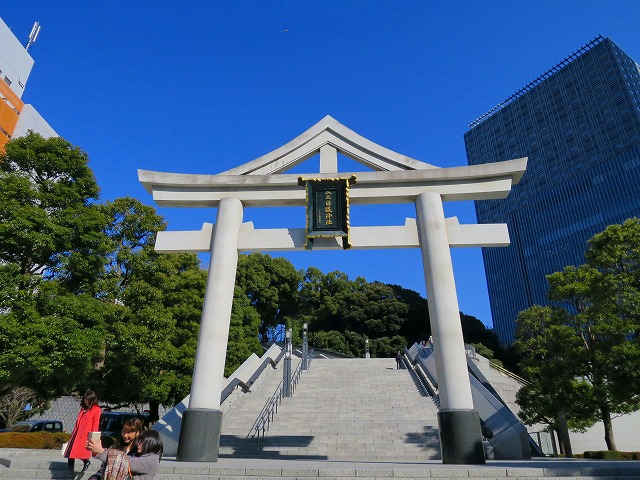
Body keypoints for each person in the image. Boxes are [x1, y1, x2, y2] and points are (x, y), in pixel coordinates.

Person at [87, 429, 163, 480]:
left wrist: (101, 451)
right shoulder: (135, 454)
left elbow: (126, 462)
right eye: (139, 440)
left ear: (150, 443)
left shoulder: (152, 459)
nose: (138, 444)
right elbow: (110, 464)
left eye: (142, 441)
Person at [65, 391, 101, 478]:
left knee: (81, 454)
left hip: (85, 435)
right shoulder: (83, 408)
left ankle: (86, 462)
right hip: (76, 434)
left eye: (88, 400)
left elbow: (95, 424)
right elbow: (78, 422)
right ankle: (71, 473)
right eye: (85, 399)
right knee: (70, 454)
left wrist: (93, 437)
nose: (86, 401)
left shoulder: (96, 409)